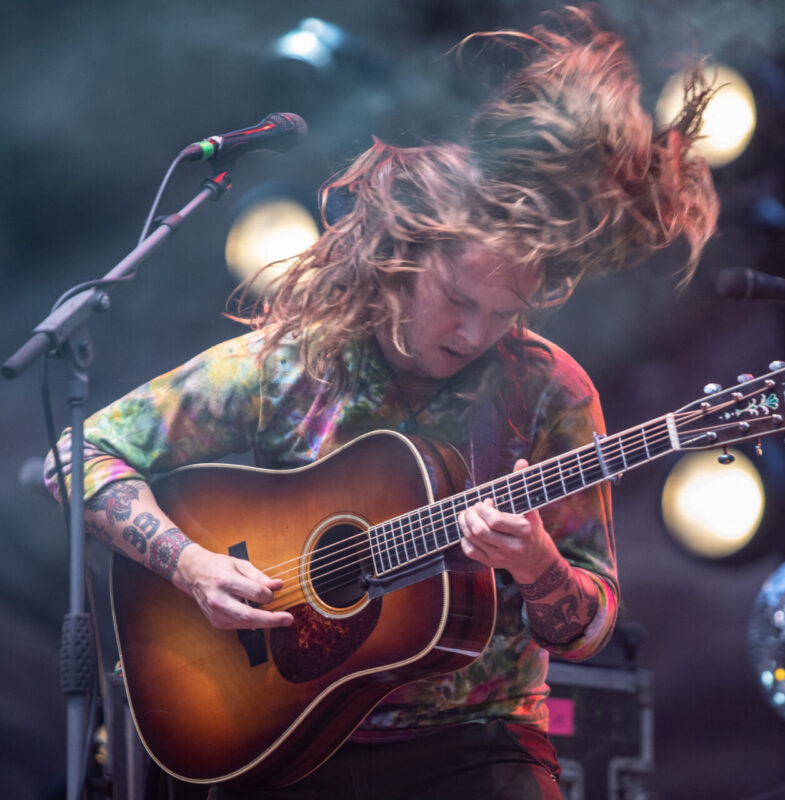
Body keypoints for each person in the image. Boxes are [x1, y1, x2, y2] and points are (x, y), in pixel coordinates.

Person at [46, 8, 719, 800]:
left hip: (476, 743)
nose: (475, 332)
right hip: (280, 737)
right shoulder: (288, 364)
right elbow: (74, 456)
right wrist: (191, 565)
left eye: (504, 313)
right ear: (402, 258)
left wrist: (537, 567)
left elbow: (592, 622)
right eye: (459, 299)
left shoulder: (550, 392)